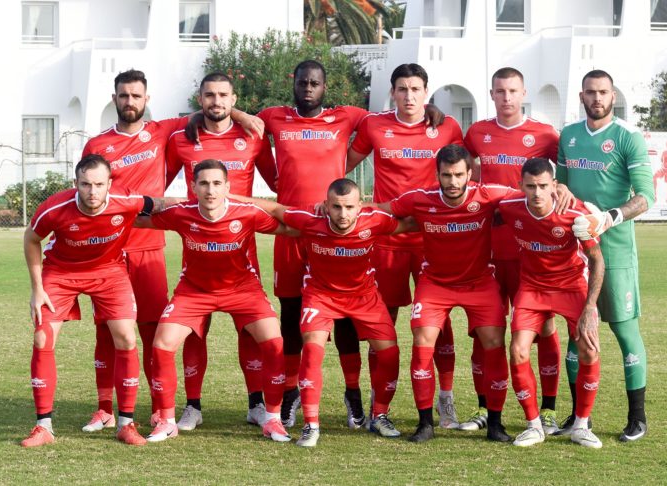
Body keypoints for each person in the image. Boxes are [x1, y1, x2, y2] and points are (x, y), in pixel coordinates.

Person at [186, 60, 443, 429]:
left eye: (315, 83)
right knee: (292, 314)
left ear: (325, 87)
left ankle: (353, 394)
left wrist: (430, 110)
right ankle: (290, 393)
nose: (308, 88)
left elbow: (392, 117)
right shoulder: (274, 117)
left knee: (347, 315)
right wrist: (214, 113)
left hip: (337, 229)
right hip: (294, 231)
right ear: (294, 83)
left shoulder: (348, 116)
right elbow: (229, 113)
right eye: (303, 82)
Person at [81, 69, 261, 431]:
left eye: (136, 96)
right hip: (107, 247)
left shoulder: (163, 131)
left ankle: (157, 407)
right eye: (123, 95)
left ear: (146, 100)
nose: (130, 101)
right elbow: (87, 193)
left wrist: (240, 115)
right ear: (114, 98)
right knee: (106, 329)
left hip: (148, 247)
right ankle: (104, 409)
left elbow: (211, 111)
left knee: (152, 329)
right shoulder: (97, 144)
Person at [233, 178, 412, 447]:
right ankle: (311, 425)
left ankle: (380, 415)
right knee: (312, 350)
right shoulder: (310, 220)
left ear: (360, 206)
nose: (343, 214)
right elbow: (273, 208)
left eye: (349, 207)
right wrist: (228, 197)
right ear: (326, 206)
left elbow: (411, 223)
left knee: (389, 353)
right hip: (321, 296)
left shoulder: (374, 220)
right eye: (336, 207)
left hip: (364, 297)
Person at [21, 154, 181, 447]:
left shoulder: (126, 200)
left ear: (109, 183)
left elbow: (160, 204)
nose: (92, 191)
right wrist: (37, 288)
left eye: (98, 184)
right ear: (75, 183)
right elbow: (31, 239)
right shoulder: (54, 208)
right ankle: (43, 427)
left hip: (109, 272)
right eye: (85, 184)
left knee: (126, 338)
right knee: (42, 338)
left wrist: (213, 201)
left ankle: (125, 424)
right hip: (61, 272)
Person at [135, 160, 294, 443]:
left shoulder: (246, 213)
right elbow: (138, 219)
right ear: (193, 187)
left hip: (243, 290)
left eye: (217, 183)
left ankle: (272, 419)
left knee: (274, 343)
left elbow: (289, 228)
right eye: (204, 184)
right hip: (194, 291)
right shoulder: (181, 213)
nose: (211, 190)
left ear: (227, 187)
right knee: (162, 345)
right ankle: (167, 422)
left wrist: (331, 225)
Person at [346, 63, 465, 429]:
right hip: (387, 241)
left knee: (439, 322)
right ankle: (377, 400)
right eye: (402, 89)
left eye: (416, 89)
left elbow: (465, 173)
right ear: (393, 93)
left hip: (434, 241)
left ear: (426, 92)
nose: (409, 96)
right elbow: (341, 162)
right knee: (382, 322)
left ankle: (446, 399)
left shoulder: (447, 127)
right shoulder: (374, 125)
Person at [376, 144, 518, 443]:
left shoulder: (488, 194)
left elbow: (530, 195)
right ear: (437, 174)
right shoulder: (420, 198)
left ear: (470, 174)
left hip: (479, 283)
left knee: (494, 343)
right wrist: (336, 205)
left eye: (458, 175)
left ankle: (495, 424)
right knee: (422, 342)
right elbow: (379, 210)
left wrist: (558, 189)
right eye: (446, 175)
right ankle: (425, 423)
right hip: (435, 284)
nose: (452, 182)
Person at [164, 72, 277, 430]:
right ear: (200, 100)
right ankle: (193, 406)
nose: (217, 101)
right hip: (197, 248)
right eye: (209, 95)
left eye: (223, 95)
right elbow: (158, 185)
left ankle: (256, 404)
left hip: (241, 249)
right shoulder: (181, 139)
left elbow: (278, 181)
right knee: (194, 329)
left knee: (250, 330)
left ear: (234, 99)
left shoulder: (252, 136)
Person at [462, 67, 563, 434]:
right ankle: (483, 407)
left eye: (513, 91)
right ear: (492, 94)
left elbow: (563, 174)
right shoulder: (477, 133)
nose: (507, 97)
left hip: (529, 252)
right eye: (500, 91)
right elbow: (463, 171)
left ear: (524, 94)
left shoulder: (545, 134)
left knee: (544, 327)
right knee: (484, 331)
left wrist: (563, 189)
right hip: (487, 250)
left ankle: (548, 410)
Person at [558, 69, 654, 442]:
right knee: (575, 332)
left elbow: (645, 197)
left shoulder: (628, 137)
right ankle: (578, 417)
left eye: (603, 92)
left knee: (624, 330)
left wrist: (608, 217)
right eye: (590, 92)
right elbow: (561, 186)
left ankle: (637, 418)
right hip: (575, 254)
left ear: (613, 96)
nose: (597, 98)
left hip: (615, 252)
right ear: (581, 96)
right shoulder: (569, 135)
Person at [497, 157, 605, 448]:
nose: (537, 192)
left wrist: (590, 308)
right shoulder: (509, 206)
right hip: (532, 288)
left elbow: (597, 261)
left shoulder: (575, 213)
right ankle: (534, 426)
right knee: (518, 350)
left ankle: (581, 425)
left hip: (571, 286)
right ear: (521, 185)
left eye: (543, 186)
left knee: (589, 349)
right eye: (531, 186)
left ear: (554, 185)